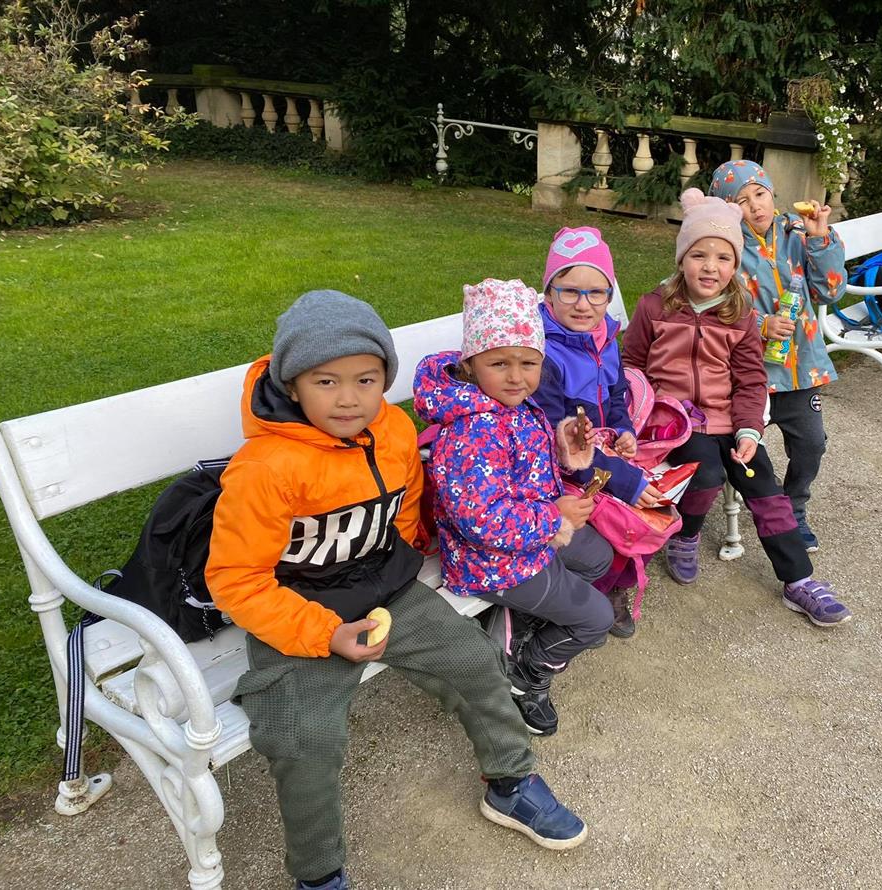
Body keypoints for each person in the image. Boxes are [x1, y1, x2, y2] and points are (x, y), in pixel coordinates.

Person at [206, 290, 589, 890]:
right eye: (326, 381)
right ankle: (318, 873)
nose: (349, 398)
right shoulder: (266, 467)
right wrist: (326, 635)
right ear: (292, 386)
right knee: (304, 737)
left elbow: (406, 501)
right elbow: (235, 579)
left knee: (476, 661)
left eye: (366, 380)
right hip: (299, 607)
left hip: (384, 585)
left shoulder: (390, 429)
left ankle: (510, 781)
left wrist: (409, 548)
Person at [621, 189, 852, 628]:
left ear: (735, 265)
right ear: (682, 259)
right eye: (699, 255)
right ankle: (686, 535)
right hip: (677, 423)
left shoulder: (740, 313)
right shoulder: (655, 306)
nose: (710, 267)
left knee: (763, 485)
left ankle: (798, 580)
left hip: (729, 419)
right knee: (706, 473)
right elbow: (631, 364)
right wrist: (645, 412)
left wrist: (749, 430)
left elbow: (750, 379)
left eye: (723, 258)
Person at [413, 278, 615, 738]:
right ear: (471, 364)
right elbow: (483, 521)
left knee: (598, 557)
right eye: (499, 363)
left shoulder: (512, 406)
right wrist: (555, 516)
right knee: (596, 620)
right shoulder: (470, 431)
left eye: (529, 362)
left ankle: (517, 624)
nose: (516, 377)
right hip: (491, 561)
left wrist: (563, 447)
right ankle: (524, 671)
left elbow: (524, 467)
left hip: (528, 536)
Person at [707, 161, 847, 553]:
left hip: (800, 369)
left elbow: (830, 291)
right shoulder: (724, 247)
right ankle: (771, 511)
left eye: (760, 194)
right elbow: (712, 303)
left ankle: (795, 504)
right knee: (746, 448)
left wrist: (821, 240)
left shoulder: (798, 234)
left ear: (772, 194)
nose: (755, 206)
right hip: (747, 373)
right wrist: (760, 324)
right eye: (741, 200)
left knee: (812, 444)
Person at [532, 226, 660, 638]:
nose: (584, 304)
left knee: (656, 503)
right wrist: (624, 479)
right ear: (548, 294)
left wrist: (623, 429)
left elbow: (617, 393)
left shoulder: (606, 339)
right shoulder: (543, 355)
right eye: (570, 291)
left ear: (609, 295)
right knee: (623, 515)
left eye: (596, 293)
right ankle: (601, 591)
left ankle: (614, 583)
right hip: (567, 464)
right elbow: (557, 442)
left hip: (603, 451)